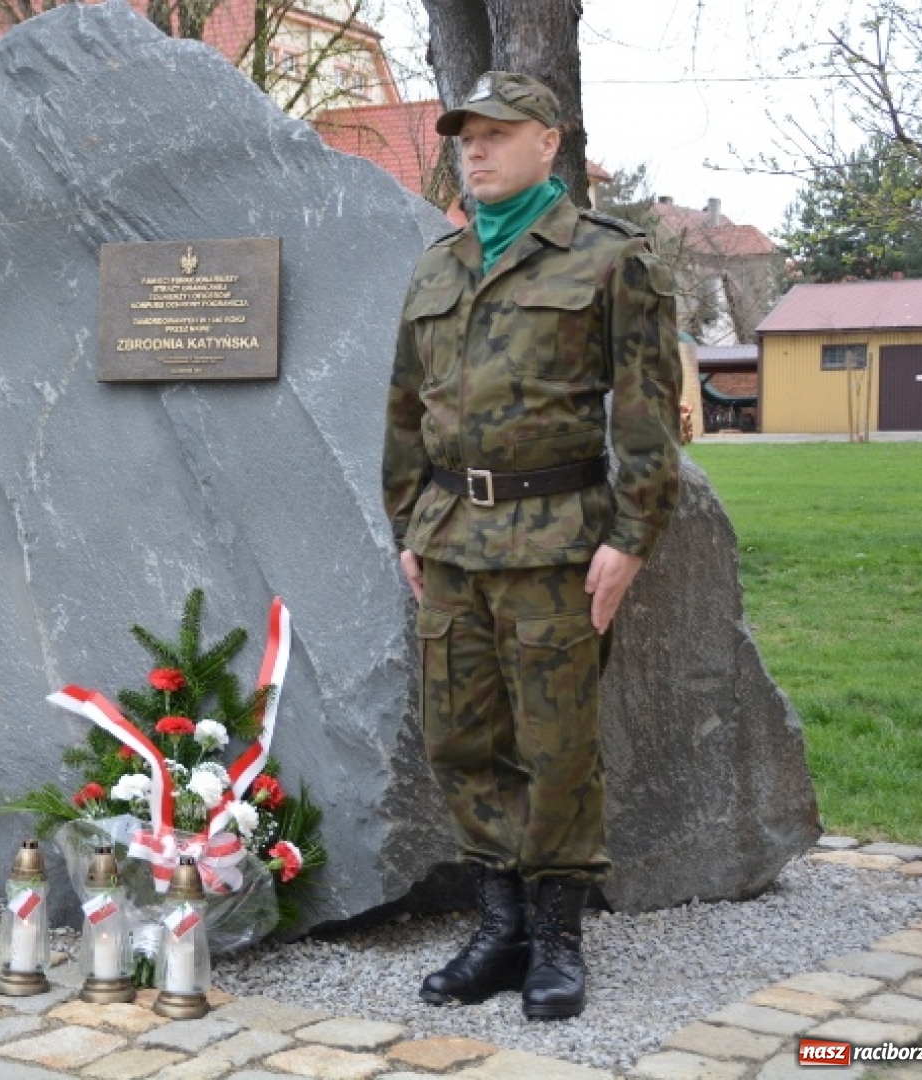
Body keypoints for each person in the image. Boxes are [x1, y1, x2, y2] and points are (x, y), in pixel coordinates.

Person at [382, 72, 682, 1020]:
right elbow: (402, 408)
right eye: (464, 135)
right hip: (452, 541)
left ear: (547, 143)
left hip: (557, 542)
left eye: (497, 134)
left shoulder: (606, 259)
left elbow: (644, 414)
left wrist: (630, 539)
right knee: (458, 738)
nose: (474, 149)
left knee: (555, 748)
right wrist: (407, 523)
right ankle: (498, 923)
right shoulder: (439, 263)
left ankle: (557, 933)